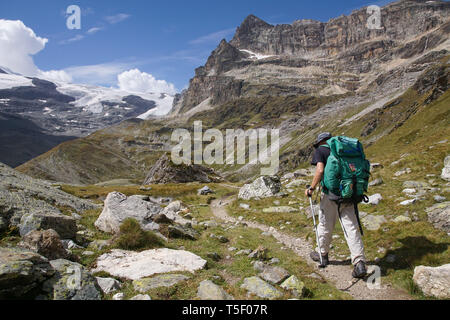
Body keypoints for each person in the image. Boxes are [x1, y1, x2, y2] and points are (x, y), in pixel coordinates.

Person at [305, 132, 367, 278]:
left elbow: (320, 170)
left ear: (320, 142)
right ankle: (359, 263)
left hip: (331, 195)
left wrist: (311, 188)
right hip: (350, 193)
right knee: (351, 227)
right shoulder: (344, 150)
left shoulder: (321, 150)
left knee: (325, 224)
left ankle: (322, 254)